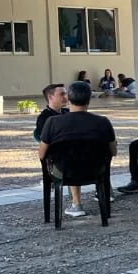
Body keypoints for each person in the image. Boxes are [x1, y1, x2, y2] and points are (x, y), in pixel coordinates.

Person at [38, 81, 118, 219]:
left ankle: (75, 204)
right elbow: (113, 152)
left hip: (64, 172)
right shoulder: (103, 122)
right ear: (89, 100)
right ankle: (105, 204)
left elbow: (42, 154)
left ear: (69, 99)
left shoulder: (52, 122)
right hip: (95, 170)